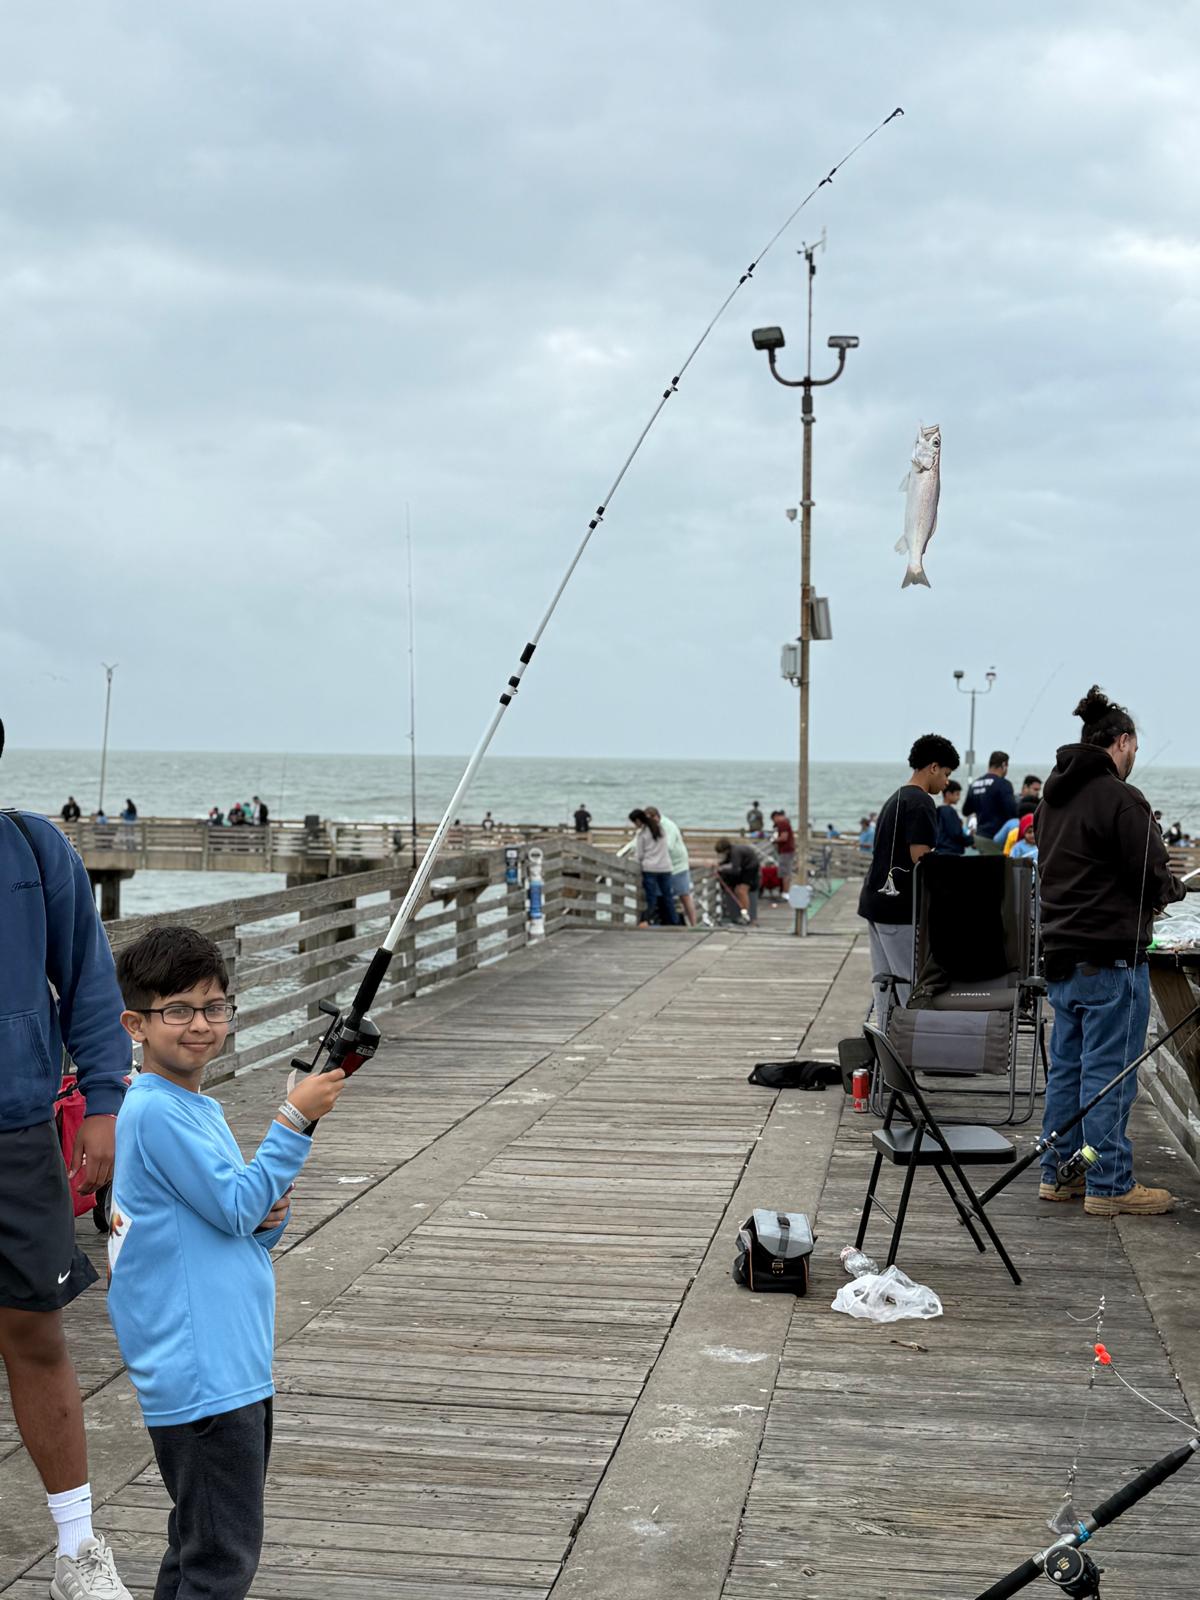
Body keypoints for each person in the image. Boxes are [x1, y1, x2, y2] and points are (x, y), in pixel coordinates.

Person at [108, 926, 347, 1600]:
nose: (200, 1024)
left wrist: (271, 1217)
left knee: (199, 1548)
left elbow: (234, 1221)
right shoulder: (155, 1112)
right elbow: (239, 1205)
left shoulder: (195, 1106)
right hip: (204, 1374)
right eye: (177, 1010)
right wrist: (292, 1121)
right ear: (136, 1024)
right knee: (221, 1564)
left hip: (229, 1365)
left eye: (214, 1007)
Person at [0, 717, 134, 1599]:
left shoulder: (33, 848)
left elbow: (88, 978)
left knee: (35, 1333)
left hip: (16, 1132)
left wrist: (106, 1102)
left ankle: (78, 1551)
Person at [1036, 686, 1185, 1216]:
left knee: (1068, 1072)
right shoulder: (1123, 799)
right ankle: (1110, 1183)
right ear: (1122, 742)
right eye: (1134, 749)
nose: (1133, 758)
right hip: (1111, 961)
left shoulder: (1051, 800)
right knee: (1109, 1075)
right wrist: (1174, 890)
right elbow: (1151, 874)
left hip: (1061, 956)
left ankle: (1059, 1174)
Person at [858, 733, 960, 1022]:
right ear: (933, 767)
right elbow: (920, 857)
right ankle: (915, 1040)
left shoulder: (897, 797)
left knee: (884, 983)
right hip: (899, 908)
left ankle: (885, 1039)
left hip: (874, 902)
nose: (946, 782)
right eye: (946, 774)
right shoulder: (921, 802)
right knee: (910, 984)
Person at [646, 806, 695, 927]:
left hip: (678, 865)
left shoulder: (668, 826)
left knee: (684, 895)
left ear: (657, 817)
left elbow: (668, 846)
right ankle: (662, 922)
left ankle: (693, 924)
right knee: (660, 896)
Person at [628, 809, 679, 927]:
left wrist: (634, 865)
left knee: (651, 898)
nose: (635, 825)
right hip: (665, 867)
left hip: (650, 868)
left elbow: (639, 855)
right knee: (668, 897)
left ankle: (646, 920)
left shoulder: (642, 834)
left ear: (638, 820)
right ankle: (674, 922)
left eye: (634, 822)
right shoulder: (660, 829)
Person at [963, 751, 1016, 840]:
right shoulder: (1004, 784)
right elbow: (1012, 812)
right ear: (1003, 765)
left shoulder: (974, 784)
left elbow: (965, 811)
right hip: (996, 838)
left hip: (979, 835)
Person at [715, 837, 761, 926]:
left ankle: (746, 915)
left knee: (741, 891)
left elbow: (735, 869)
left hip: (750, 870)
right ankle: (744, 914)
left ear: (725, 850)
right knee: (738, 890)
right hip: (747, 869)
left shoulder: (735, 852)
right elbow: (729, 862)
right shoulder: (733, 850)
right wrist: (720, 865)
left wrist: (721, 869)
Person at [934, 780, 968, 854]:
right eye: (957, 794)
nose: (959, 798)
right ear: (948, 794)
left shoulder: (939, 810)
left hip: (940, 850)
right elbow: (956, 833)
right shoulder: (949, 811)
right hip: (950, 851)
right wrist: (971, 840)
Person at [773, 810, 796, 893]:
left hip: (785, 851)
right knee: (787, 872)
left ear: (776, 817)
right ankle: (786, 891)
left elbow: (784, 837)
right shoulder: (786, 822)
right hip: (789, 850)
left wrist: (774, 840)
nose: (774, 822)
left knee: (785, 873)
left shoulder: (782, 823)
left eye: (773, 820)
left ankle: (785, 893)